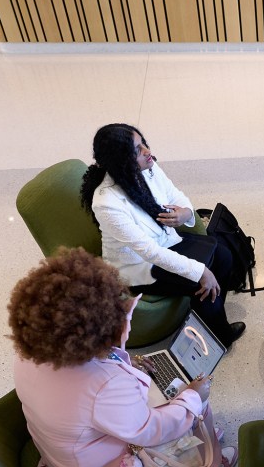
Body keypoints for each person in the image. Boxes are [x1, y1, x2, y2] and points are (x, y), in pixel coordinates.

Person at [9, 247, 236, 467]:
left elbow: (89, 388)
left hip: (65, 451)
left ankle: (195, 435)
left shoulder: (31, 353)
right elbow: (149, 429)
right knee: (196, 402)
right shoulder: (106, 385)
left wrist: (126, 365)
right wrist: (192, 397)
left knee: (172, 396)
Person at [80, 123, 245, 347]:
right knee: (200, 282)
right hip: (138, 265)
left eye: (143, 143)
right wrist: (201, 271)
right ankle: (220, 336)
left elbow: (174, 193)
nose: (148, 152)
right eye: (138, 150)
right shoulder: (107, 203)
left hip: (165, 242)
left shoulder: (148, 166)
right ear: (121, 161)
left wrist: (185, 213)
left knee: (224, 256)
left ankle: (208, 318)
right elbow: (149, 252)